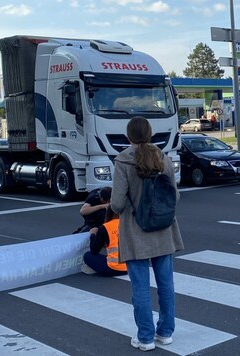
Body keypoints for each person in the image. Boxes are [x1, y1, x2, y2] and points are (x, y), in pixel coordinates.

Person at [111, 116, 184, 352]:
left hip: (135, 230)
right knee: (166, 283)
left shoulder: (123, 161)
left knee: (140, 287)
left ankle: (145, 337)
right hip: (163, 228)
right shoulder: (163, 157)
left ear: (129, 136)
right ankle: (165, 332)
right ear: (150, 133)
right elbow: (176, 195)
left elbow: (118, 203)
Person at [81, 206, 127, 276]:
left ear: (108, 213)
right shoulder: (127, 224)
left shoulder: (105, 227)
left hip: (113, 269)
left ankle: (96, 269)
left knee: (87, 255)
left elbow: (94, 250)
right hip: (130, 267)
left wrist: (93, 235)